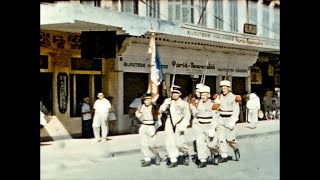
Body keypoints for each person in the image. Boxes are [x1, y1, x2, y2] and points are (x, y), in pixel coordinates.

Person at [159, 85, 191, 168]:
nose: (174, 94)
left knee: (180, 143)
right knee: (170, 141)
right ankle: (173, 159)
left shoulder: (184, 104)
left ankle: (185, 153)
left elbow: (187, 115)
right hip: (170, 122)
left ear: (180, 94)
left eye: (176, 93)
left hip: (179, 123)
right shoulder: (169, 102)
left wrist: (184, 125)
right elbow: (161, 110)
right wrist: (166, 103)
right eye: (173, 93)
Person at [213, 80, 241, 162]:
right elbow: (216, 109)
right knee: (221, 138)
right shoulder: (218, 97)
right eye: (222, 87)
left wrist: (233, 121)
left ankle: (235, 148)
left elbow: (236, 111)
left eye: (225, 87)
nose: (223, 89)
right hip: (221, 119)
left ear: (229, 88)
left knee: (230, 139)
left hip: (230, 119)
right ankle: (224, 154)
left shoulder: (234, 97)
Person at [191, 85, 218, 168]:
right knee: (200, 143)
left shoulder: (213, 104)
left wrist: (213, 128)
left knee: (211, 144)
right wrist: (193, 108)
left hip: (209, 125)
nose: (202, 96)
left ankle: (216, 154)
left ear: (209, 95)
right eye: (201, 94)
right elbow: (195, 114)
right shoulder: (198, 103)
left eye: (204, 94)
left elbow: (215, 117)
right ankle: (203, 160)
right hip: (200, 125)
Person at [135, 93, 162, 167]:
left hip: (152, 126)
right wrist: (139, 116)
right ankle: (147, 159)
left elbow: (159, 120)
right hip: (144, 125)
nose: (145, 101)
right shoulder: (141, 107)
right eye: (144, 100)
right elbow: (138, 114)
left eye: (147, 99)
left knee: (152, 144)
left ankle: (157, 155)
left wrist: (155, 128)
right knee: (143, 144)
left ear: (151, 100)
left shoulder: (155, 108)